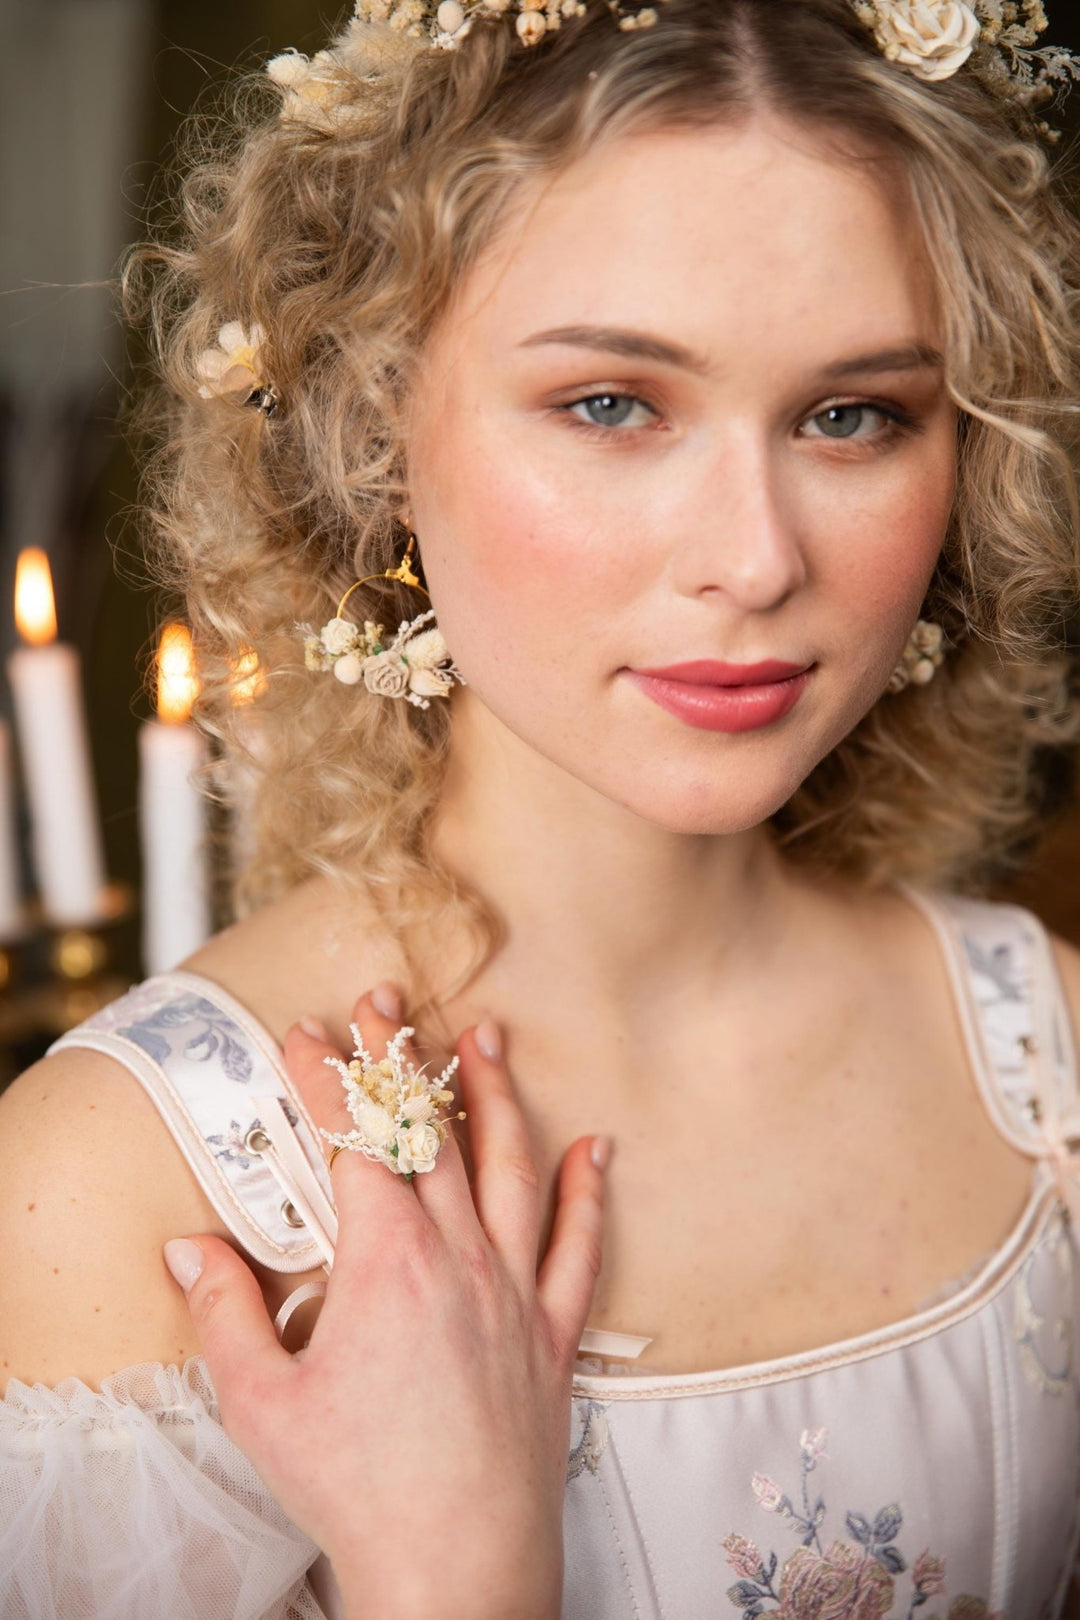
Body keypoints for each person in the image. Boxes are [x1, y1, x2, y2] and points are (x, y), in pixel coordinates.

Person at [2, 0, 1080, 1612]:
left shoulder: (1052, 1066)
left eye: (852, 415)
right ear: (371, 432)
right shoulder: (111, 1193)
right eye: (612, 404)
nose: (758, 556)